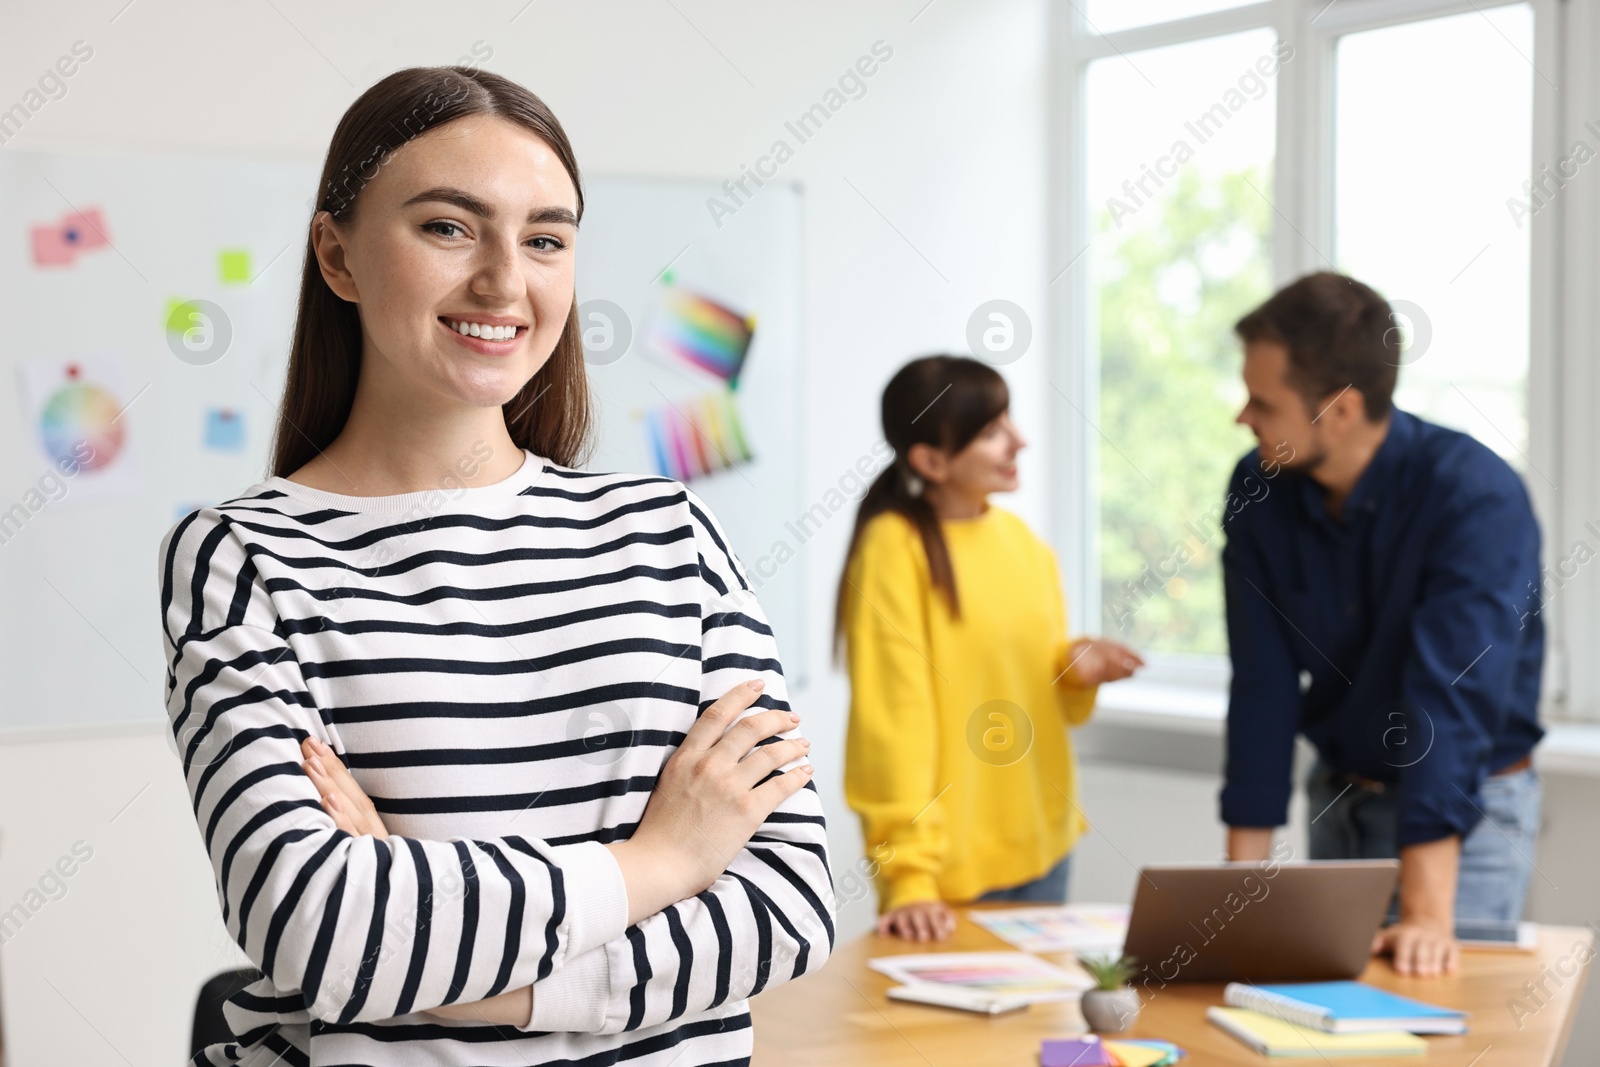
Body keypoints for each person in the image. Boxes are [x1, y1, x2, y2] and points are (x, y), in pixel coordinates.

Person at [158, 66, 833, 1066]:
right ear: (336, 255)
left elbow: (789, 901)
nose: (504, 282)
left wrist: (476, 994)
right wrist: (663, 857)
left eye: (546, 238)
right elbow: (319, 926)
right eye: (447, 227)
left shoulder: (666, 529)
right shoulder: (244, 555)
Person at [1220, 271, 1544, 978]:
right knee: (1319, 1030)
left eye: (1263, 401)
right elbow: (1262, 687)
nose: (1243, 416)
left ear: (1340, 410)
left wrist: (1428, 914)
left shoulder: (1474, 498)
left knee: (1449, 1031)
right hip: (1340, 801)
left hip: (1464, 814)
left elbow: (1449, 701)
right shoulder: (1258, 490)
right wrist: (1235, 895)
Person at [835, 355, 1143, 942]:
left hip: (1046, 854)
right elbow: (892, 727)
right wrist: (910, 877)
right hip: (945, 879)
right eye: (992, 432)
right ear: (930, 460)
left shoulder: (1024, 545)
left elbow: (1041, 696)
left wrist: (1078, 672)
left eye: (1011, 423)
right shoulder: (892, 550)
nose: (1019, 442)